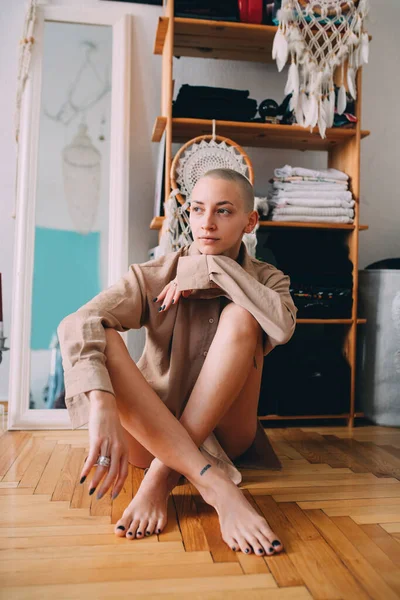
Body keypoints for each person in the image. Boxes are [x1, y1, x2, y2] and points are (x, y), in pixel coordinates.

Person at [57, 168, 297, 556]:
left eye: (223, 212)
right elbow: (76, 322)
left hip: (228, 433)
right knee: (102, 332)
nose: (206, 224)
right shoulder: (152, 276)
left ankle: (160, 479)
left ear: (249, 221)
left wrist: (211, 268)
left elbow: (283, 327)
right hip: (148, 438)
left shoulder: (269, 280)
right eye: (198, 210)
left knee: (243, 315)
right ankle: (216, 487)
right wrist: (100, 401)